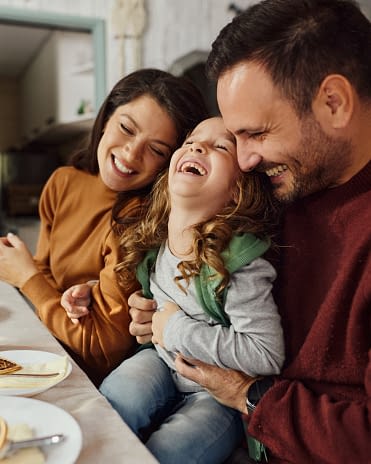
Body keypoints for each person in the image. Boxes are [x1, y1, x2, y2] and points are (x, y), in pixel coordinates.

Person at [128, 1, 371, 463]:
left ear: (333, 102)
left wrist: (250, 395)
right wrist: (162, 311)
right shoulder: (280, 185)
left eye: (255, 133)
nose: (242, 160)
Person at [0, 68, 208, 385]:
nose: (131, 153)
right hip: (52, 352)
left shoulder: (141, 219)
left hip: (89, 379)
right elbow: (47, 274)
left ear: (171, 162)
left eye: (156, 150)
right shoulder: (63, 181)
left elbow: (98, 352)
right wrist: (37, 278)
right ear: (107, 116)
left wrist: (26, 277)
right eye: (126, 128)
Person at [97, 116, 284, 464]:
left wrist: (176, 330)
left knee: (169, 452)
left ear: (237, 191)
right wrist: (145, 318)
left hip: (216, 394)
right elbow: (155, 315)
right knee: (112, 401)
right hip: (162, 363)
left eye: (220, 146)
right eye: (192, 140)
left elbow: (266, 354)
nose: (198, 147)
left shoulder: (240, 262)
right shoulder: (159, 241)